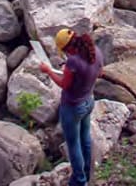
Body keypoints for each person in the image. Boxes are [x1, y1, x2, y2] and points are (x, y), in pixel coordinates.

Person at [39, 28, 104, 186]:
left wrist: (49, 71)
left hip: (73, 107)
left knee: (73, 144)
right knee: (85, 139)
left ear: (68, 48)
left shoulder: (73, 62)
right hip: (88, 101)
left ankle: (79, 181)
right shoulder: (95, 51)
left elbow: (64, 85)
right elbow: (100, 73)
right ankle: (88, 174)